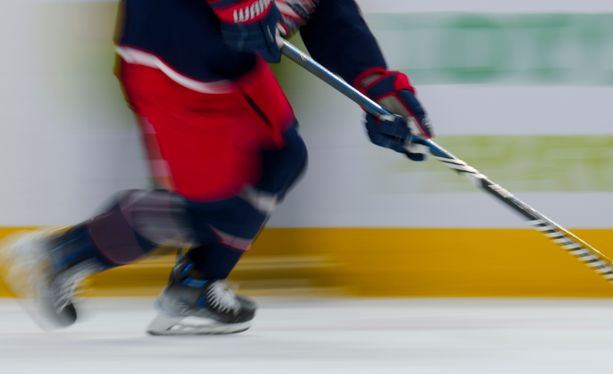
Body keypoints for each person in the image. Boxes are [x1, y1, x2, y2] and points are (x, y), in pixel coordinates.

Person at [0, 0, 432, 335]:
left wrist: (378, 91)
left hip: (229, 64)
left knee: (280, 157)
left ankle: (196, 286)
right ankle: (61, 255)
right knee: (212, 209)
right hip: (171, 56)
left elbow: (333, 21)